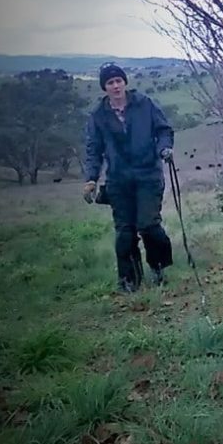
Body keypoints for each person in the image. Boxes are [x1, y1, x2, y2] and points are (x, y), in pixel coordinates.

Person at [83, 62, 174, 292]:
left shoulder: (145, 104)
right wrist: (91, 179)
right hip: (118, 179)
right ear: (104, 87)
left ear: (125, 82)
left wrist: (164, 148)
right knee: (125, 230)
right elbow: (94, 149)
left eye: (118, 81)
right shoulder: (98, 115)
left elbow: (163, 130)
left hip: (148, 174)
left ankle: (159, 267)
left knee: (149, 225)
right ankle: (129, 280)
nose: (115, 86)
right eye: (110, 82)